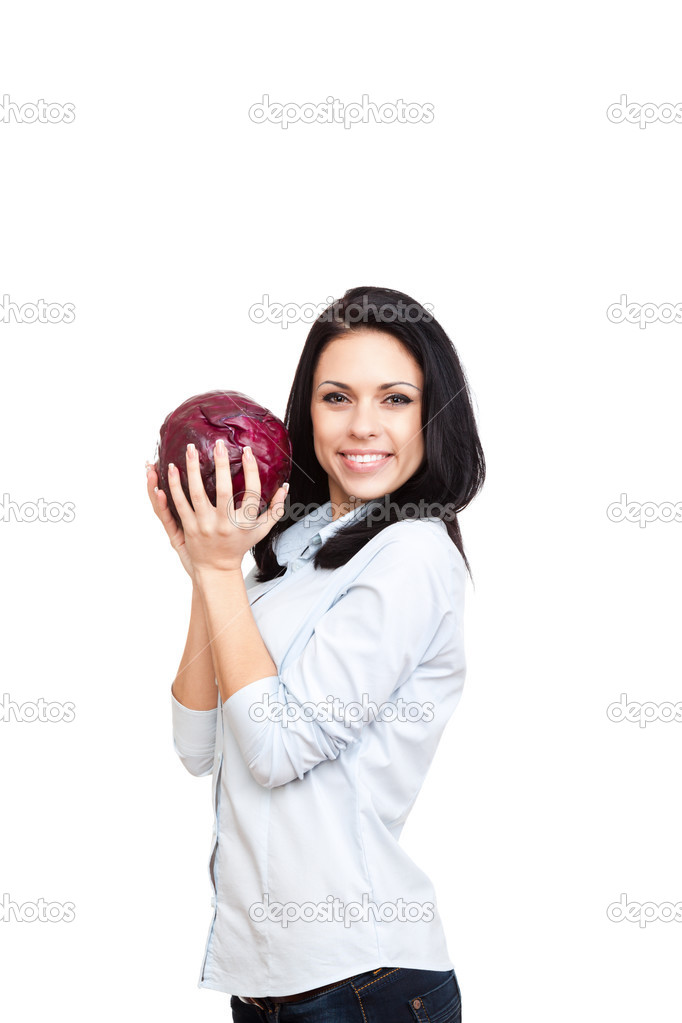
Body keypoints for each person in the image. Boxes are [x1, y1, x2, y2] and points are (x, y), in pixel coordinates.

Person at [145, 286, 485, 1022]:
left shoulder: (414, 556)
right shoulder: (295, 548)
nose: (363, 425)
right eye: (337, 397)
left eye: (395, 398)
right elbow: (197, 743)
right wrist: (214, 571)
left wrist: (215, 574)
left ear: (433, 415)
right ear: (307, 412)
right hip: (265, 981)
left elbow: (274, 747)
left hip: (364, 980)